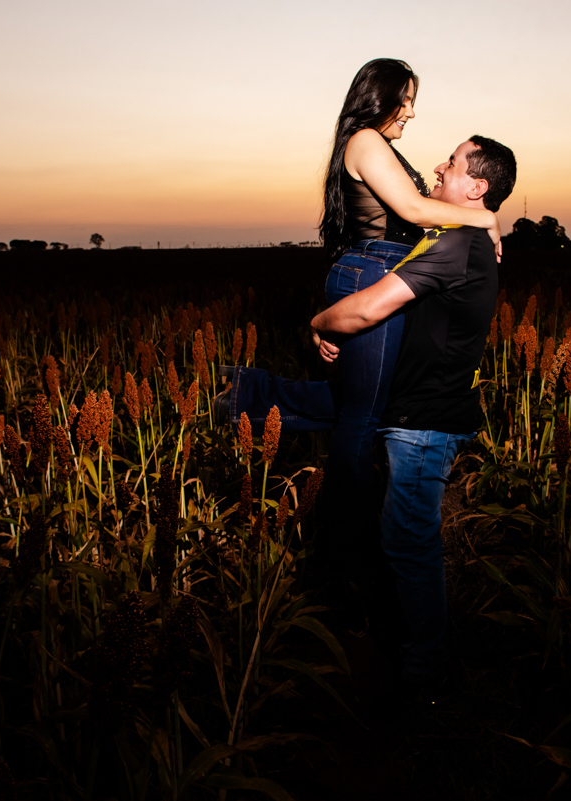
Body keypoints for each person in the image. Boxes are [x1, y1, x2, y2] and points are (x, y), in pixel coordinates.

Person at [221, 59, 500, 577]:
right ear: (380, 95)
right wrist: (483, 215)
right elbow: (416, 213)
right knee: (364, 418)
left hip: (382, 272)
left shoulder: (379, 146)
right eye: (407, 99)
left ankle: (248, 396)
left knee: (368, 405)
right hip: (371, 272)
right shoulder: (367, 140)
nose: (412, 112)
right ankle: (344, 550)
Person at [310, 135, 517, 687]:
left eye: (451, 164)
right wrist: (488, 219)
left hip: (425, 426)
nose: (436, 168)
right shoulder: (460, 238)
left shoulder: (455, 248)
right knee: (401, 536)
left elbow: (367, 310)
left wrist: (320, 322)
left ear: (475, 186)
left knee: (408, 541)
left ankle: (424, 678)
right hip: (419, 418)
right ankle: (407, 652)